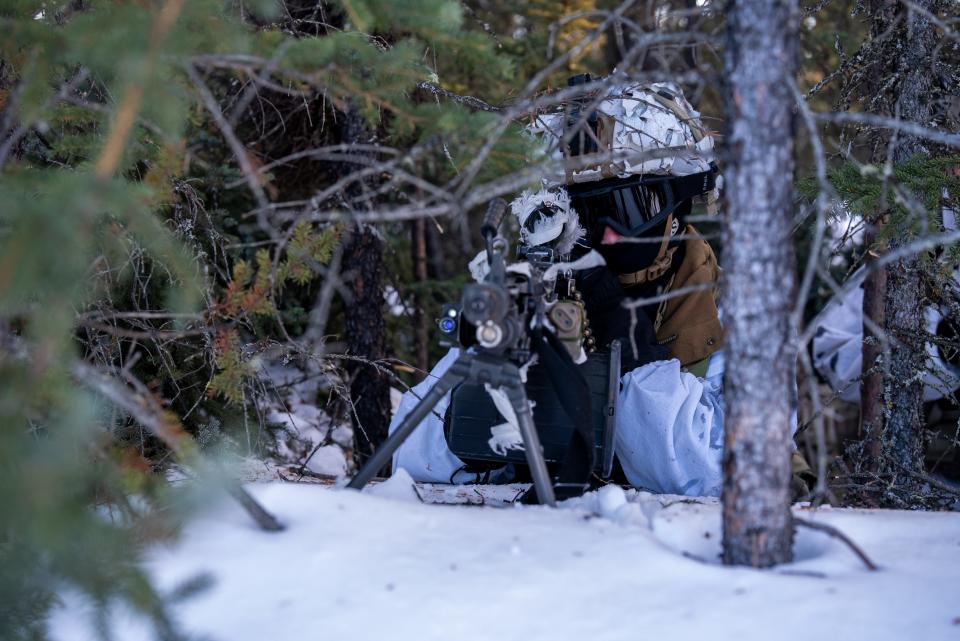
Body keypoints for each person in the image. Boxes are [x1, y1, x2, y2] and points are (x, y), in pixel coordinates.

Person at [389, 77, 803, 497]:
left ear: (677, 206)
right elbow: (411, 452)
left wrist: (634, 353)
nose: (607, 234)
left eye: (629, 208)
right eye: (586, 213)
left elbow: (717, 474)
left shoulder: (736, 317)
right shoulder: (542, 290)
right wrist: (493, 366)